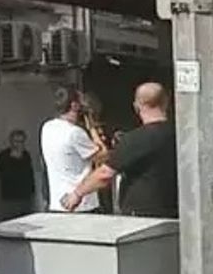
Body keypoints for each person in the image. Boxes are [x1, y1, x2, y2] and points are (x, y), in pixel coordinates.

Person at [61, 82, 178, 218]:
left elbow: (105, 174)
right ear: (166, 102)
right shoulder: (182, 136)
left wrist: (77, 194)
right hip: (177, 212)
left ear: (136, 106)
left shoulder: (135, 139)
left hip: (142, 215)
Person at [40, 86, 106, 213]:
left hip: (57, 202)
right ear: (74, 105)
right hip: (81, 203)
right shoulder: (75, 133)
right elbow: (103, 155)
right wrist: (92, 127)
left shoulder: (47, 127)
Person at [0, 129, 37, 220]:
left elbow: (29, 174)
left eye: (21, 142)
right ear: (11, 142)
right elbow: (3, 174)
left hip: (25, 196)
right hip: (10, 197)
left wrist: (32, 191)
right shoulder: (4, 156)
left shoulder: (26, 155)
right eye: (16, 141)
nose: (18, 144)